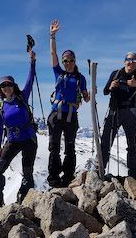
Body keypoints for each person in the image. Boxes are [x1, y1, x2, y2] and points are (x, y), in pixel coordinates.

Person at [0, 50, 38, 210]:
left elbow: (30, 80)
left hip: (29, 138)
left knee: (27, 171)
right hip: (13, 140)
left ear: (14, 86)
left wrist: (33, 62)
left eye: (9, 84)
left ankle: (24, 199)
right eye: (3, 85)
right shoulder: (0, 107)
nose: (6, 87)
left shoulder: (23, 98)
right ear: (0, 89)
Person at [47, 19, 90, 187]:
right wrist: (52, 36)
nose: (67, 63)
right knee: (54, 147)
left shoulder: (81, 78)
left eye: (70, 60)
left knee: (70, 146)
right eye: (65, 60)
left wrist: (88, 97)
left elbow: (85, 97)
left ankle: (68, 177)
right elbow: (53, 55)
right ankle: (54, 178)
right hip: (56, 113)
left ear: (74, 60)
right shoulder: (58, 73)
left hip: (71, 114)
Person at [99, 52, 136, 178]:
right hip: (115, 111)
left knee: (132, 146)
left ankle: (133, 177)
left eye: (134, 60)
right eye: (129, 60)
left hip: (130, 112)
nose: (131, 62)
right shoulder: (115, 74)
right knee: (106, 143)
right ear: (124, 61)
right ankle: (100, 173)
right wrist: (110, 86)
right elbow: (104, 91)